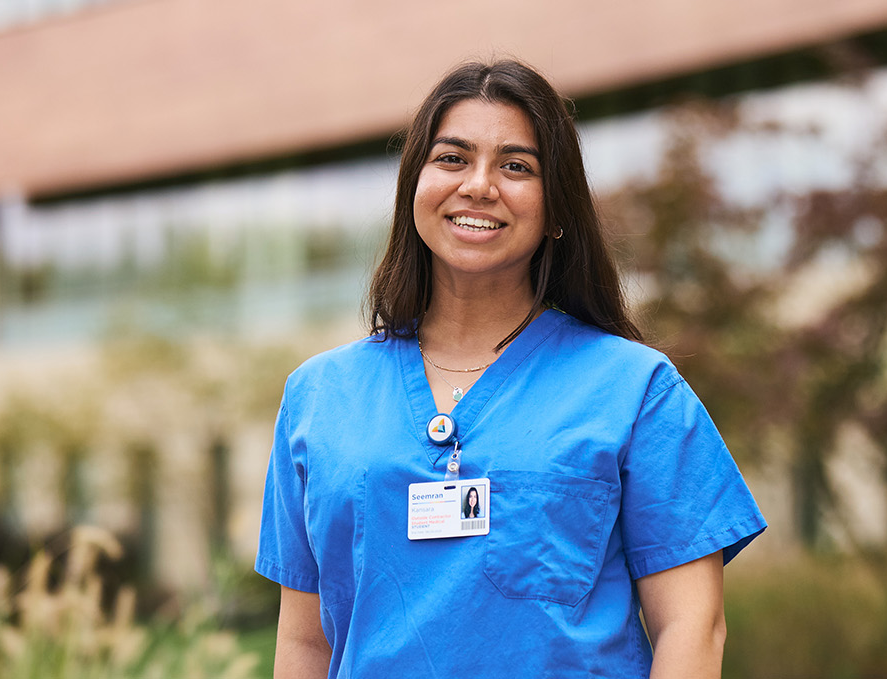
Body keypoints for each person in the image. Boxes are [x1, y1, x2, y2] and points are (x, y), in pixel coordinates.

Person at [257, 59, 765, 679]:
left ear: (556, 210)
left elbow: (692, 626)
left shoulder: (635, 390)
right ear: (413, 187)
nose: (479, 185)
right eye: (451, 159)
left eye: (516, 166)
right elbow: (305, 643)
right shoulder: (318, 396)